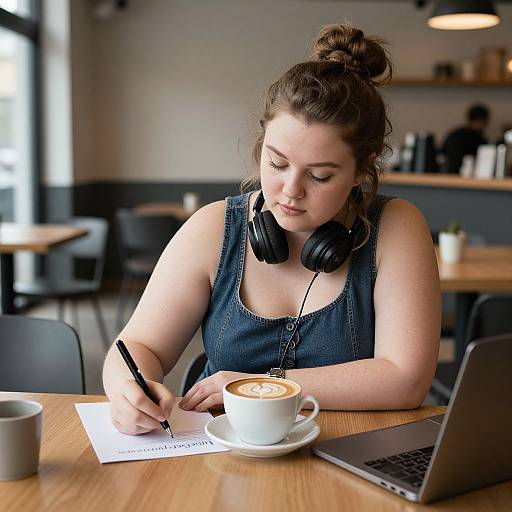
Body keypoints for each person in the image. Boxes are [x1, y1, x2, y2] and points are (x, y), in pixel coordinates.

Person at [103, 23, 441, 436]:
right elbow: (139, 346)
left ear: (361, 170)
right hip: (217, 454)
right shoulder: (212, 228)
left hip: (347, 455)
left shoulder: (397, 227)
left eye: (319, 176)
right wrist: (125, 389)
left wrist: (261, 387)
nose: (290, 191)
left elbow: (406, 379)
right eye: (277, 163)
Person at [440, 104, 490, 173]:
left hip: (448, 174)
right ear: (481, 120)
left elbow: (441, 153)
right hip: (467, 175)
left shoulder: (454, 134)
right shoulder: (477, 138)